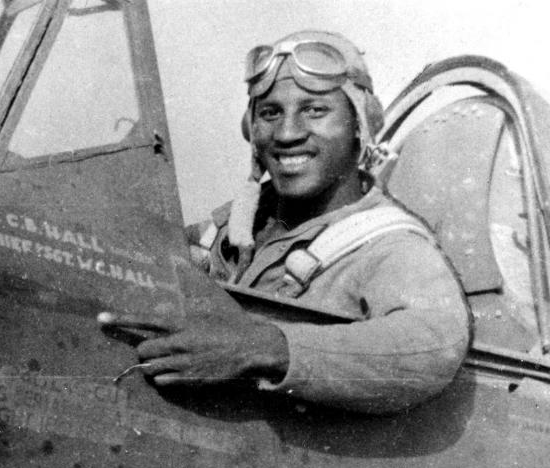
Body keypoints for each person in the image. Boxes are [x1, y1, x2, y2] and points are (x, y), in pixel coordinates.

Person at [101, 30, 470, 414]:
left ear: (361, 125)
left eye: (315, 110)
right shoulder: (230, 228)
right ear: (251, 128)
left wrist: (265, 349)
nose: (287, 133)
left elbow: (435, 341)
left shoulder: (390, 246)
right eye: (270, 113)